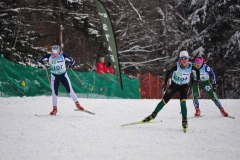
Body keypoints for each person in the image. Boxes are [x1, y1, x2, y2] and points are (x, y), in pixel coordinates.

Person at [142, 51, 200, 132]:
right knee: (164, 101)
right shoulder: (177, 66)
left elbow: (197, 70)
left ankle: (184, 120)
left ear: (188, 59)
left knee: (183, 102)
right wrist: (165, 83)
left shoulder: (191, 66)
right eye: (182, 59)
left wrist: (198, 79)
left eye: (185, 59)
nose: (184, 60)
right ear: (180, 59)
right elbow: (169, 71)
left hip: (184, 86)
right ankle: (152, 115)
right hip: (174, 85)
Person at [38, 45, 85, 115]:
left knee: (70, 90)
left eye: (56, 53)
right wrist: (42, 63)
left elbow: (73, 61)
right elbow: (39, 60)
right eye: (53, 53)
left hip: (63, 75)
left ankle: (77, 105)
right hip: (54, 76)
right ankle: (54, 109)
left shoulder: (63, 56)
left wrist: (70, 64)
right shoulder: (49, 56)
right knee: (54, 93)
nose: (54, 55)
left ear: (59, 52)